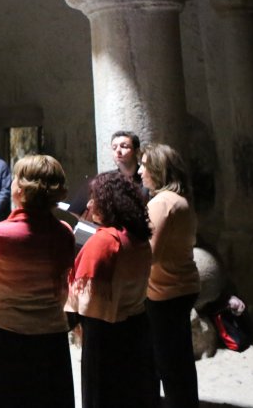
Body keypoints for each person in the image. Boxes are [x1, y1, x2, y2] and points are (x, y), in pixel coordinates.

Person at [0, 155, 75, 408]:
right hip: (50, 336)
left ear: (19, 189)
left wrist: (1, 305)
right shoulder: (64, 234)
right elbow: (64, 284)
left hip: (8, 337)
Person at [65, 171, 156, 408]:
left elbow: (84, 301)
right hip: (136, 328)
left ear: (110, 202)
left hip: (105, 337)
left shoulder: (105, 241)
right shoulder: (138, 237)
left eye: (95, 198)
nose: (89, 204)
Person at [140, 143, 201, 408]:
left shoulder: (161, 203)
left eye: (144, 165)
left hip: (165, 291)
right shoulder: (182, 200)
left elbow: (148, 253)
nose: (141, 171)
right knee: (180, 360)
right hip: (183, 285)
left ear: (157, 169)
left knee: (168, 363)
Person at [68, 130, 143, 217]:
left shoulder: (146, 177)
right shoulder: (106, 180)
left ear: (136, 151)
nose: (118, 150)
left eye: (124, 146)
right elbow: (75, 210)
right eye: (114, 148)